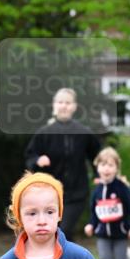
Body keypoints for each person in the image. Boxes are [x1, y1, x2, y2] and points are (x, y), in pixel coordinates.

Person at [24, 88, 102, 240]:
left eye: (68, 103)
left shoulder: (83, 132)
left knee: (64, 230)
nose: (64, 106)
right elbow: (29, 156)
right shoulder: (45, 132)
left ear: (74, 107)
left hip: (77, 193)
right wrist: (38, 160)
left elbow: (97, 156)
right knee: (54, 231)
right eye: (60, 102)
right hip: (50, 193)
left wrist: (98, 175)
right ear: (54, 105)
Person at [83, 147, 130, 259]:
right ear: (98, 167)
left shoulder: (122, 188)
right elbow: (94, 211)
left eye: (110, 165)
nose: (106, 169)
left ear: (116, 168)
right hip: (102, 233)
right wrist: (91, 225)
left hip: (120, 233)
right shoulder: (97, 191)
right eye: (103, 165)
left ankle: (126, 254)